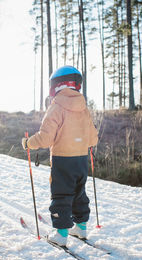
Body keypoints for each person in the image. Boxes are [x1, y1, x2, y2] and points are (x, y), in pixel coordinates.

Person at [22, 65, 98, 246]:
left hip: (62, 159)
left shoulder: (56, 107)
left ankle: (61, 234)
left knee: (61, 194)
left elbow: (46, 138)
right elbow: (93, 138)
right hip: (81, 159)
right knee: (79, 193)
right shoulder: (84, 108)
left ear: (55, 85)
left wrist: (28, 143)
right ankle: (81, 227)